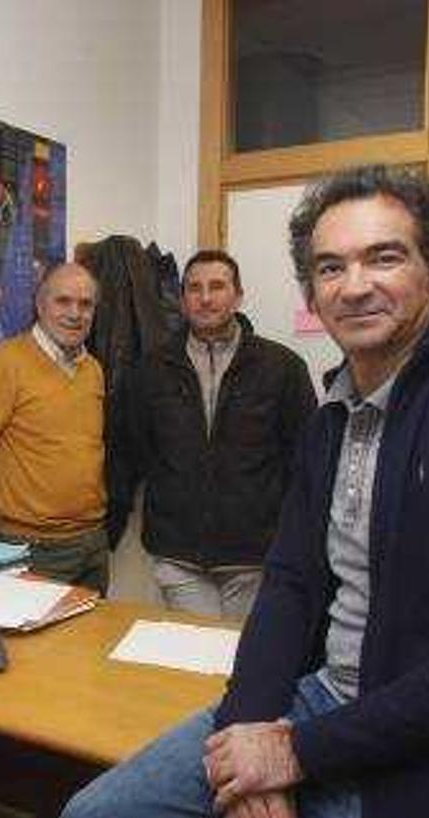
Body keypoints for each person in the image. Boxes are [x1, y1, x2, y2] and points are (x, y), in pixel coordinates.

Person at [26, 165, 429, 818]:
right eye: (331, 266)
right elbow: (293, 583)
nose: (355, 285)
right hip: (324, 702)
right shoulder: (334, 415)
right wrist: (248, 730)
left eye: (384, 257)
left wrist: (296, 751)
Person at [124, 249, 316, 619]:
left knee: (242, 662)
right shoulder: (150, 370)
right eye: (194, 288)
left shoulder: (282, 367)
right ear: (182, 300)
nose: (206, 297)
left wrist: (296, 541)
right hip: (177, 554)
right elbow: (138, 448)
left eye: (217, 286)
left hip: (255, 558)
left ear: (238, 296)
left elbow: (304, 460)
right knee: (194, 664)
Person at [0, 261, 108, 593]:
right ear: (40, 305)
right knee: (41, 647)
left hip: (93, 545)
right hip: (33, 550)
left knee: (93, 644)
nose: (75, 313)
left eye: (85, 304)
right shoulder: (7, 363)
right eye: (63, 301)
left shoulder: (93, 369)